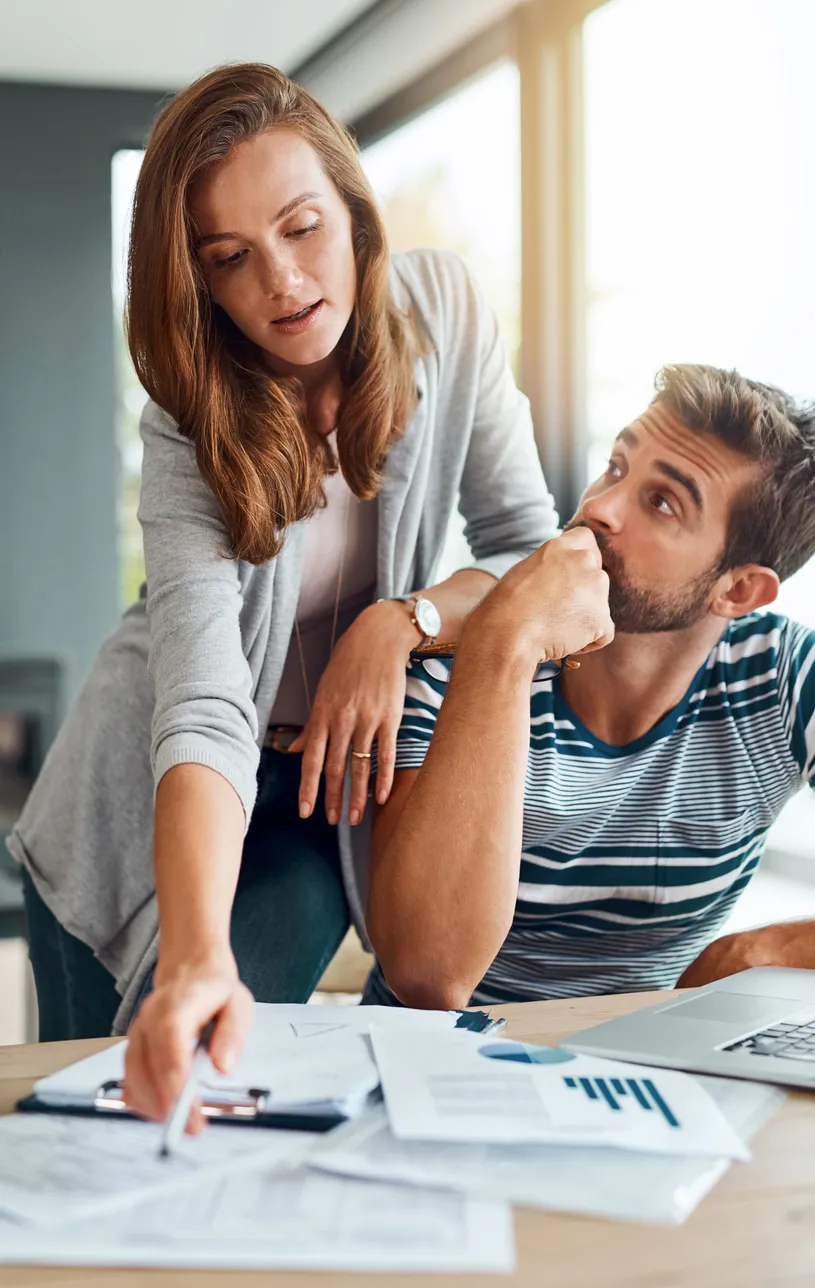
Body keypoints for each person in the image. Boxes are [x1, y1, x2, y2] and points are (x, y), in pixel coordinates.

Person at [7, 63, 558, 1124]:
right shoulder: (189, 412)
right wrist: (195, 955)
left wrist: (400, 625)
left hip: (317, 794)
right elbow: (206, 699)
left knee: (235, 1083)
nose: (282, 282)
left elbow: (526, 548)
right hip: (137, 796)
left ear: (352, 211)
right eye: (230, 258)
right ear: (199, 281)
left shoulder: (443, 311)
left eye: (302, 228)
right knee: (103, 1109)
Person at [365, 364, 815, 1010]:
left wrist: (761, 952)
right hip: (437, 1071)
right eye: (615, 466)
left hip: (639, 1075)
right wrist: (504, 644)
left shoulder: (782, 681)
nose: (597, 508)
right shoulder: (454, 655)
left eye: (660, 502)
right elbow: (427, 973)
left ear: (737, 590)